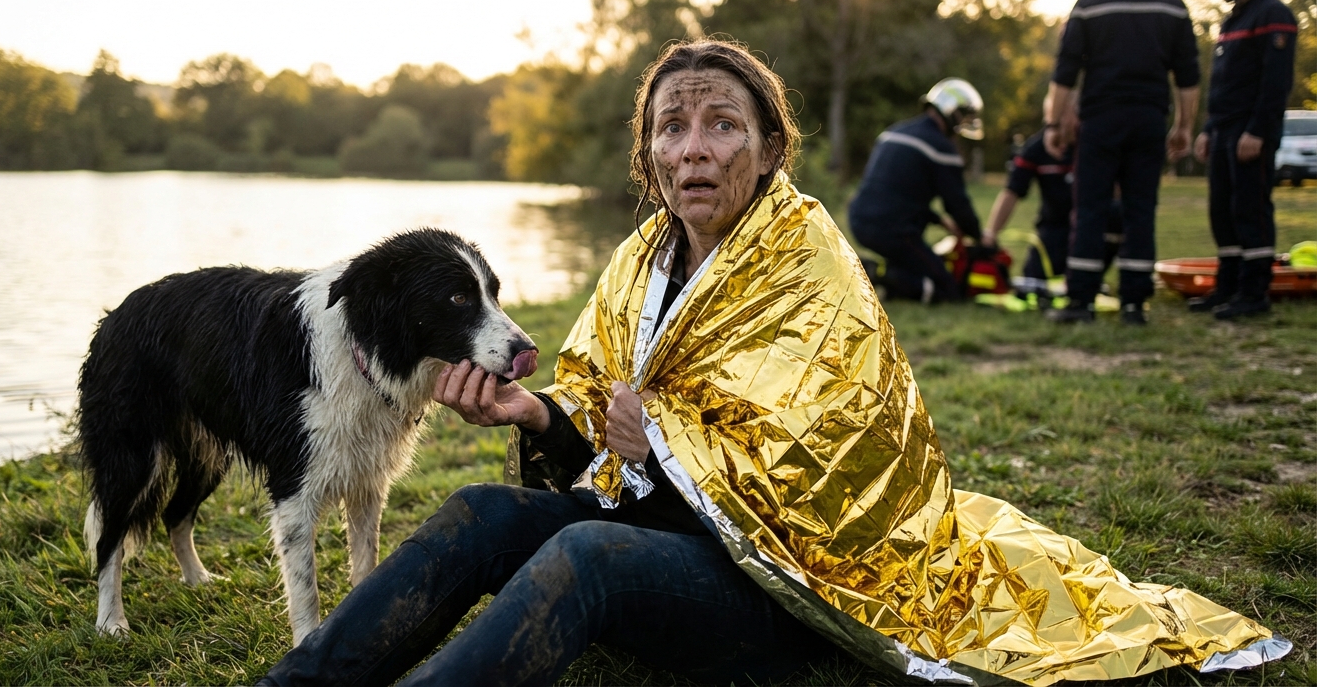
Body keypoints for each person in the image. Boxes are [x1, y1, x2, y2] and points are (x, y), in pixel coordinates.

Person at [260, 40, 1283, 687]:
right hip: (657, 537)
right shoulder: (640, 259)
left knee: (584, 555)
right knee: (481, 513)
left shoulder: (808, 262)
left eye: (721, 125)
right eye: (671, 127)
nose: (693, 147)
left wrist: (657, 442)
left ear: (767, 147)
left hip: (785, 585)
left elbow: (831, 467)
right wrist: (539, 416)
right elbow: (592, 422)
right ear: (650, 154)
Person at [1043, 0, 1200, 325]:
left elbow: (1064, 76)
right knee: (1140, 210)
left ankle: (1081, 302)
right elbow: (1188, 77)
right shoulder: (1172, 6)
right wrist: (1184, 126)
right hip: (1149, 120)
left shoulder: (1088, 6)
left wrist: (1053, 126)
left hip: (1101, 121)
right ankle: (1134, 304)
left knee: (1090, 209)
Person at [1189, 0, 1297, 320]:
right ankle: (1228, 286)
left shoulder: (1274, 15)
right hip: (1223, 131)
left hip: (1250, 133)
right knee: (1222, 211)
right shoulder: (1233, 18)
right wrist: (1208, 128)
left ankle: (1254, 293)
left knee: (1250, 210)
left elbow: (1275, 83)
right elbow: (1223, 83)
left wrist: (1258, 131)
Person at [847, 78, 984, 303]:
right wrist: (979, 237)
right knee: (949, 289)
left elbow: (898, 193)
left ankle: (885, 278)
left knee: (910, 267)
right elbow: (957, 204)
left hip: (859, 220)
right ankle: (880, 275)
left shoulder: (894, 133)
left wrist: (939, 220)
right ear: (953, 112)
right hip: (895, 232)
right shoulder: (940, 147)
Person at [982, 93, 1122, 305]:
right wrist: (991, 233)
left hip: (1089, 227)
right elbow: (1011, 192)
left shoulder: (1094, 144)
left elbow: (1118, 191)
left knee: (1117, 214)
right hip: (1053, 230)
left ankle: (1101, 278)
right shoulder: (1036, 149)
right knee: (1034, 282)